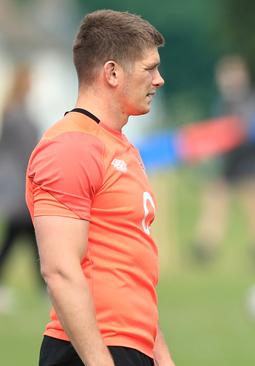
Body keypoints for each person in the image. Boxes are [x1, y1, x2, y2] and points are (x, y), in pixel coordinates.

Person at [25, 10, 174, 366]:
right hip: (89, 352)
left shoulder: (120, 146)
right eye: (149, 68)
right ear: (112, 73)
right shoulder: (72, 145)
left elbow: (130, 270)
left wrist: (161, 357)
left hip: (129, 347)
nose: (159, 80)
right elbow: (59, 270)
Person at [193, 54, 255, 266]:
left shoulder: (252, 99)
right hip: (226, 163)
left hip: (247, 161)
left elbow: (251, 129)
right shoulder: (223, 102)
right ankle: (206, 245)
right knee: (215, 203)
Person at [0, 63, 42, 312]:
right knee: (22, 237)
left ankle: (45, 287)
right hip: (18, 187)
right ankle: (46, 288)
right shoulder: (15, 115)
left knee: (27, 238)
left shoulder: (18, 113)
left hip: (21, 185)